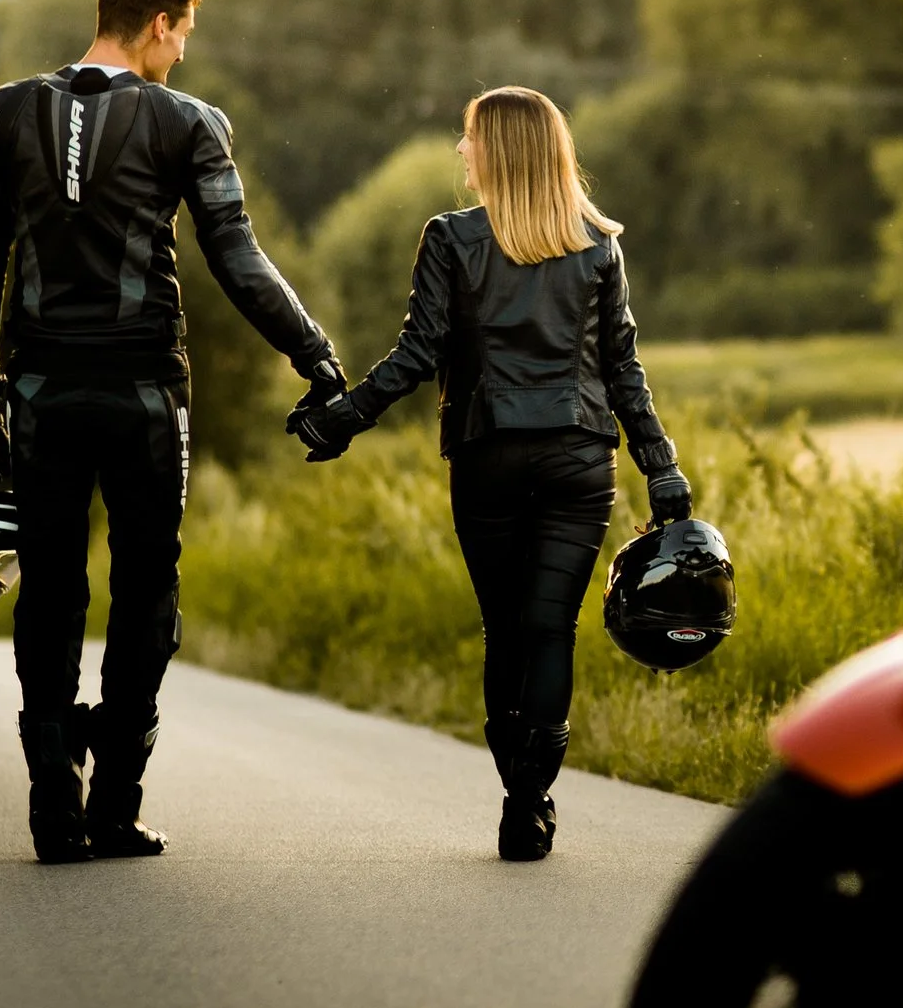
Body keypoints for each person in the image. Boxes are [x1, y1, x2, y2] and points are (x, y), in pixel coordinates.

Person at [0, 0, 345, 864]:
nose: (182, 55)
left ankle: (54, 801)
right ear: (160, 23)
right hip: (144, 393)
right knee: (148, 591)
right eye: (183, 36)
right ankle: (115, 807)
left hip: (40, 390)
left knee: (52, 587)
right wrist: (315, 355)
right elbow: (238, 260)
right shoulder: (189, 122)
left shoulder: (2, 113)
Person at [287, 85, 690, 861]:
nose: (461, 149)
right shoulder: (597, 244)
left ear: (499, 150)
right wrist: (660, 465)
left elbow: (417, 353)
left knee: (505, 629)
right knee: (551, 629)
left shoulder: (451, 238)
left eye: (470, 136)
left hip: (488, 454)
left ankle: (521, 793)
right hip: (579, 457)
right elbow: (623, 368)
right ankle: (529, 801)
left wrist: (344, 418)